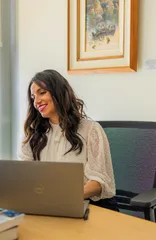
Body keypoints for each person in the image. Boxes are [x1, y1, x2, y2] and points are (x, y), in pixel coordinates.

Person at [19, 69, 118, 211]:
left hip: (89, 205)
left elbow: (98, 183)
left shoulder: (91, 130)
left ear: (59, 92)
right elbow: (25, 174)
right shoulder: (33, 134)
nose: (37, 101)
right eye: (33, 97)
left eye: (42, 93)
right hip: (48, 205)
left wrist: (63, 198)